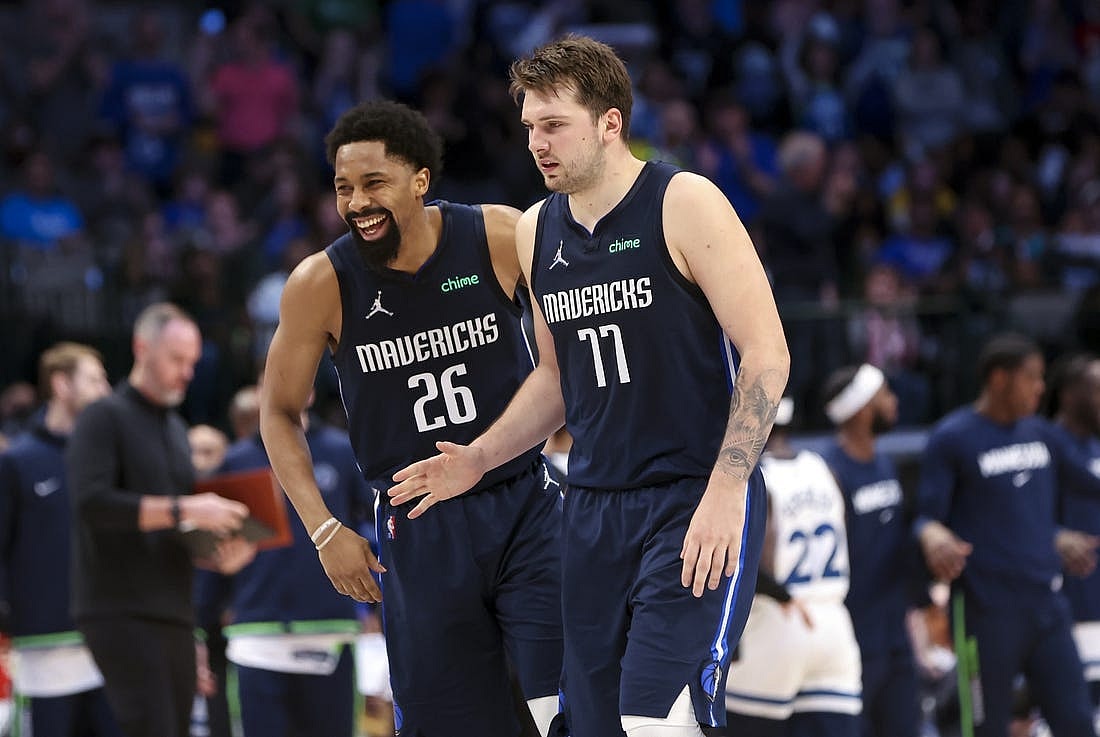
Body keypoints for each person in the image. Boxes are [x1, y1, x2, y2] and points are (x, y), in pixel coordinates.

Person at [389, 34, 791, 737]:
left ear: (610, 123)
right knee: (594, 725)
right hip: (594, 506)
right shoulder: (536, 229)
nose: (537, 144)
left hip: (692, 492)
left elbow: (767, 353)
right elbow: (555, 379)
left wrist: (728, 488)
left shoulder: (684, 202)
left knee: (659, 718)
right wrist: (480, 456)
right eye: (529, 129)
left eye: (554, 125)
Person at [258, 100, 564, 737]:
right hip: (418, 526)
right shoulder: (321, 283)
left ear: (421, 180)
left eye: (375, 183)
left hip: (522, 506)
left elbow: (566, 362)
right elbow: (279, 412)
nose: (357, 202)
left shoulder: (499, 235)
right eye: (344, 188)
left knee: (569, 704)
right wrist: (321, 530)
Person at [66, 302, 257, 737]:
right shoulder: (102, 416)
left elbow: (173, 531)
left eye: (192, 362)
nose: (188, 373)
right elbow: (92, 505)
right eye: (177, 359)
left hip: (173, 610)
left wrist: (217, 558)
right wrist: (189, 508)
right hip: (118, 608)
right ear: (141, 348)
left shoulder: (174, 429)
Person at [915, 333, 1100, 737]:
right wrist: (934, 537)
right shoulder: (953, 437)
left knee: (1079, 724)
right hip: (985, 611)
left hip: (1047, 607)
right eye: (1031, 377)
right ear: (999, 379)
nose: (1040, 387)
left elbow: (1089, 483)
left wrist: (1055, 535)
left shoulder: (1041, 434)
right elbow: (926, 517)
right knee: (984, 728)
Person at [196, 392, 372, 737]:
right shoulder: (236, 459)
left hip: (329, 632)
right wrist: (199, 627)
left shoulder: (340, 450)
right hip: (256, 637)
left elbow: (377, 523)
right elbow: (212, 553)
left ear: (311, 390)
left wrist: (384, 609)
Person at [723, 396, 862, 736]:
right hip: (832, 623)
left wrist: (783, 595)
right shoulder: (824, 467)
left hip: (778, 620)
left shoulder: (756, 477)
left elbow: (749, 560)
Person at [0, 342, 119, 737]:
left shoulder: (108, 460)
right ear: (61, 384)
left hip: (108, 644)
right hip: (44, 652)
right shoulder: (17, 461)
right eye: (94, 380)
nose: (106, 390)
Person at [819, 364, 923, 737]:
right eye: (886, 395)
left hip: (895, 630)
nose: (895, 402)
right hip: (856, 635)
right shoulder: (830, 471)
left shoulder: (885, 463)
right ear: (862, 409)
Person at [1046, 353, 1100, 716]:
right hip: (1073, 606)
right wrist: (1055, 536)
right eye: (1097, 390)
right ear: (1069, 395)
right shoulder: (1045, 445)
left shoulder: (1095, 444)